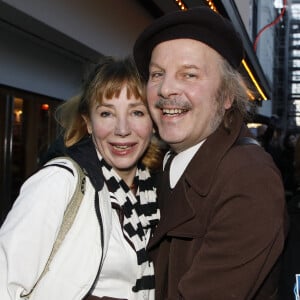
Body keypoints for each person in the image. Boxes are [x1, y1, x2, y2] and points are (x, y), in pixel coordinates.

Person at [133, 6, 288, 300]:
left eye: (189, 74)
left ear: (227, 95)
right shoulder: (166, 165)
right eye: (157, 74)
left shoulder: (249, 180)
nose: (166, 88)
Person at [0, 56, 163, 300]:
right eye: (107, 113)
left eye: (137, 112)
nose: (122, 129)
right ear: (88, 123)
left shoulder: (157, 191)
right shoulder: (59, 182)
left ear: (153, 122)